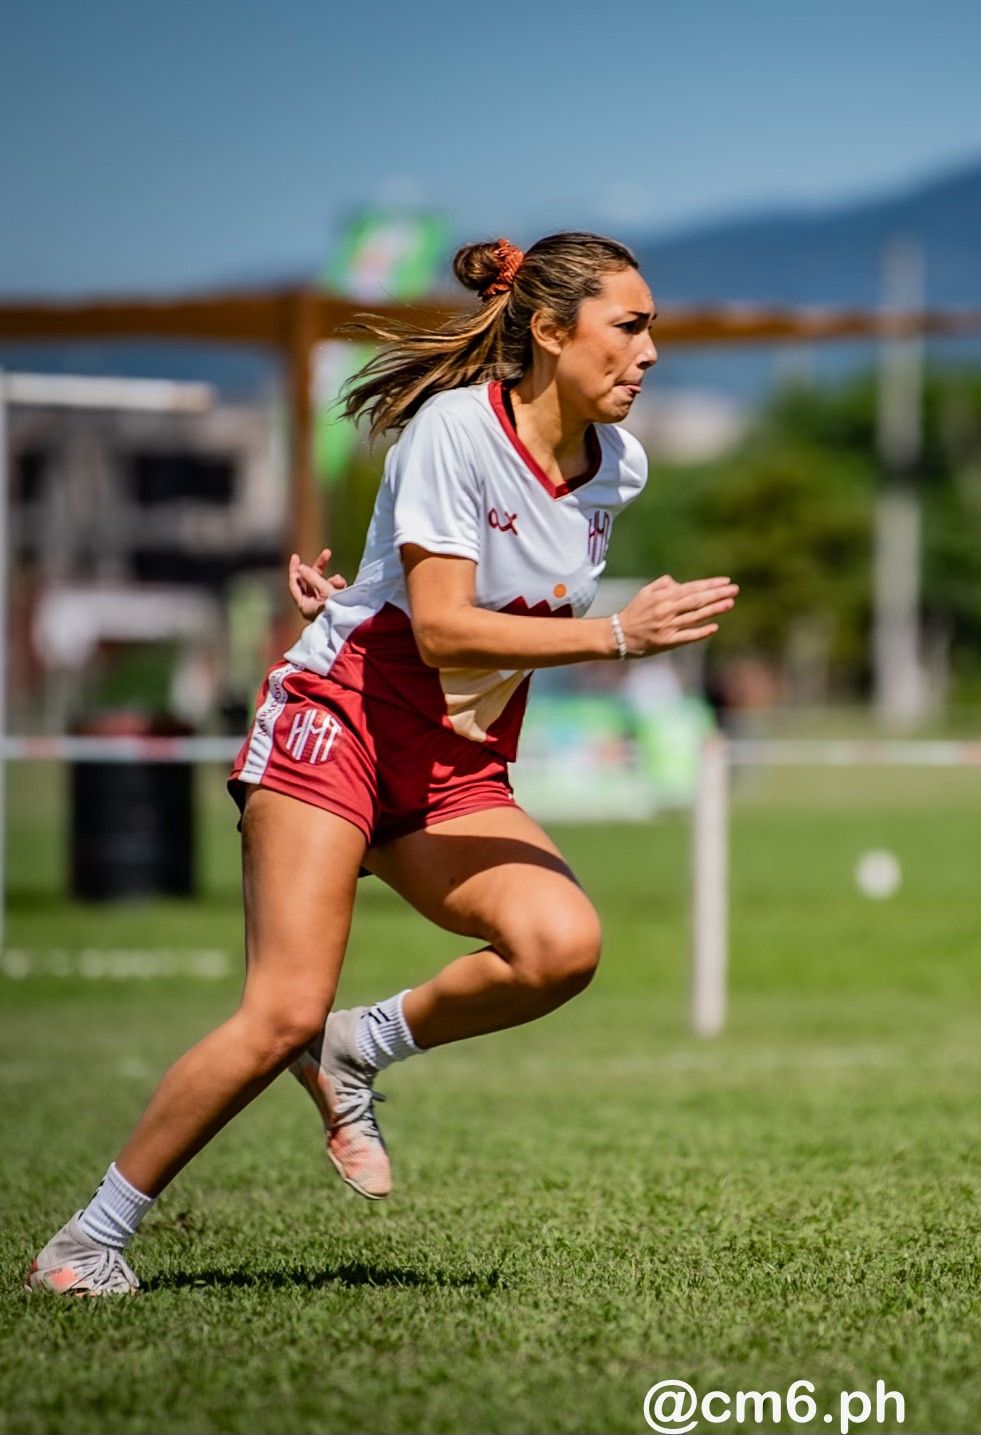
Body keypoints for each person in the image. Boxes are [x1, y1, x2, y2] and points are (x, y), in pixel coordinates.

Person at [27, 232, 738, 1295]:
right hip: (342, 716)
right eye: (627, 327)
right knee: (277, 1013)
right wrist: (618, 638)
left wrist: (364, 590)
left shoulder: (618, 466)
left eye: (650, 331)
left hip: (454, 755)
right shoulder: (454, 429)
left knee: (560, 946)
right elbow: (448, 627)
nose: (647, 353)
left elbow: (473, 600)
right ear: (549, 331)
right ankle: (86, 1241)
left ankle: (357, 1047)